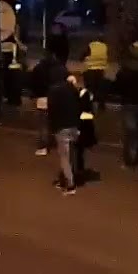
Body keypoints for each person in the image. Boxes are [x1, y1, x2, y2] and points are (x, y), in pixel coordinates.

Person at [46, 65, 80, 195]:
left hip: (61, 127)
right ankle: (65, 179)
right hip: (74, 125)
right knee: (70, 155)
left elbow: (52, 111)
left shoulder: (53, 90)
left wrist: (52, 128)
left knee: (64, 157)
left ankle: (70, 184)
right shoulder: (72, 88)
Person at [27, 52, 60, 156]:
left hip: (41, 98)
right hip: (54, 98)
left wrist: (34, 95)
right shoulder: (57, 69)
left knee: (42, 124)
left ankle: (43, 146)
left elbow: (33, 83)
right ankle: (52, 141)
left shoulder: (38, 68)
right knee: (52, 121)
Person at [73, 75, 98, 185]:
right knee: (80, 150)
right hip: (86, 126)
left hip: (81, 126)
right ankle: (79, 169)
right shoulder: (87, 93)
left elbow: (81, 110)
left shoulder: (82, 94)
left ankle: (77, 171)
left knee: (78, 150)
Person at [81, 37, 109, 112]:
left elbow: (84, 54)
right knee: (100, 88)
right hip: (101, 69)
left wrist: (82, 59)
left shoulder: (91, 45)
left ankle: (89, 105)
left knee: (90, 89)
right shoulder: (104, 46)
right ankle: (101, 105)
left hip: (90, 69)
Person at [0, 34, 24, 106]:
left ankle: (11, 98)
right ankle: (15, 99)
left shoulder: (4, 41)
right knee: (13, 82)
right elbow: (23, 50)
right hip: (14, 65)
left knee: (8, 81)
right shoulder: (14, 40)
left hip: (8, 65)